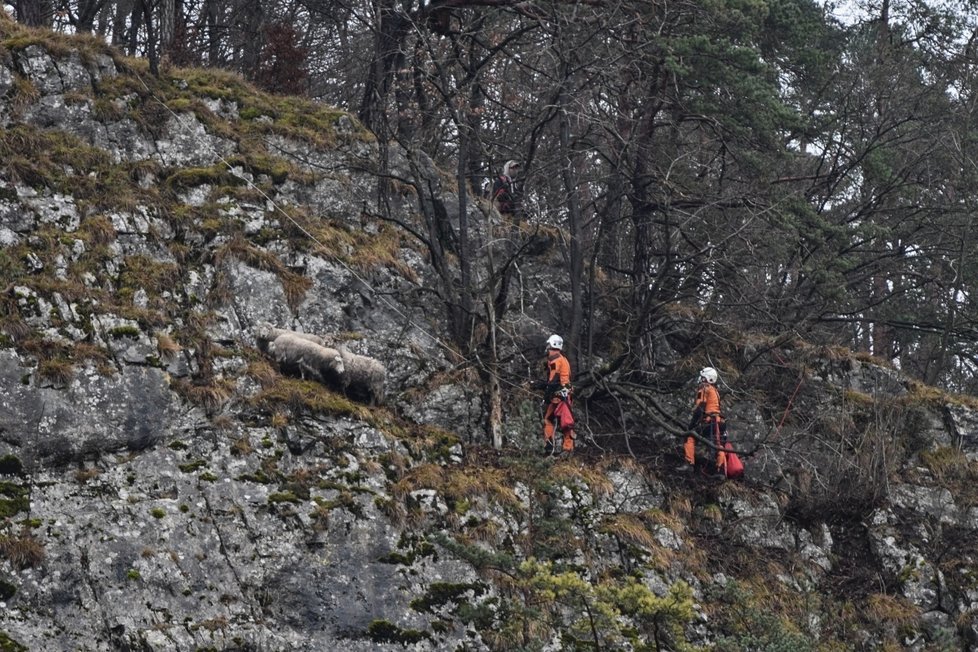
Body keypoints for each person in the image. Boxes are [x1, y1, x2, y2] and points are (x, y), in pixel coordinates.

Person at [681, 366, 726, 476]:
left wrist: (691, 426)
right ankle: (720, 471)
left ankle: (689, 463)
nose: (701, 379)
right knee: (718, 444)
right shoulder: (715, 391)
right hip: (719, 422)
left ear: (707, 378)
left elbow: (700, 407)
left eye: (703, 377)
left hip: (709, 422)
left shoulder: (705, 388)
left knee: (690, 437)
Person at [541, 333, 575, 455]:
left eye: (548, 345)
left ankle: (552, 447)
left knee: (556, 421)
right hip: (564, 394)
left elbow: (554, 380)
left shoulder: (556, 360)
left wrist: (546, 396)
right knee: (564, 422)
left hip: (559, 395)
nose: (547, 348)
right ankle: (564, 448)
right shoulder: (562, 359)